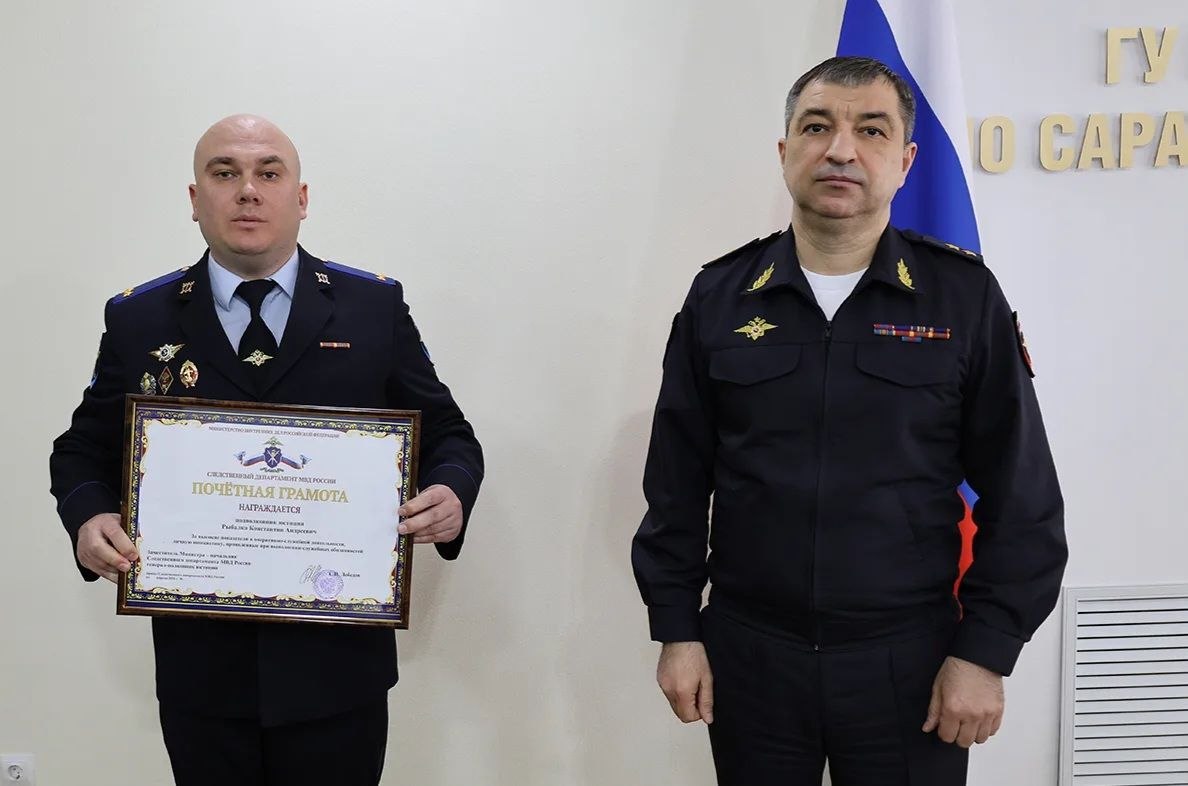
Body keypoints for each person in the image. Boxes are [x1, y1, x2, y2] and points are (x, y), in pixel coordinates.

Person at [631, 56, 1066, 785]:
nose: (840, 149)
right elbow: (674, 486)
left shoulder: (962, 298)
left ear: (906, 160)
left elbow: (1024, 499)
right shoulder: (720, 297)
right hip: (751, 657)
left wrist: (986, 652)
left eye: (871, 130)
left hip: (912, 661)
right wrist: (676, 629)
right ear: (785, 151)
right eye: (816, 127)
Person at [49, 114, 483, 785]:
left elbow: (450, 435)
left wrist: (450, 491)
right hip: (202, 668)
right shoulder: (140, 317)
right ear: (195, 199)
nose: (247, 189)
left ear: (300, 198)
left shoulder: (372, 308)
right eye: (225, 173)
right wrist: (88, 515)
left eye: (268, 173)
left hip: (337, 666)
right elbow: (82, 449)